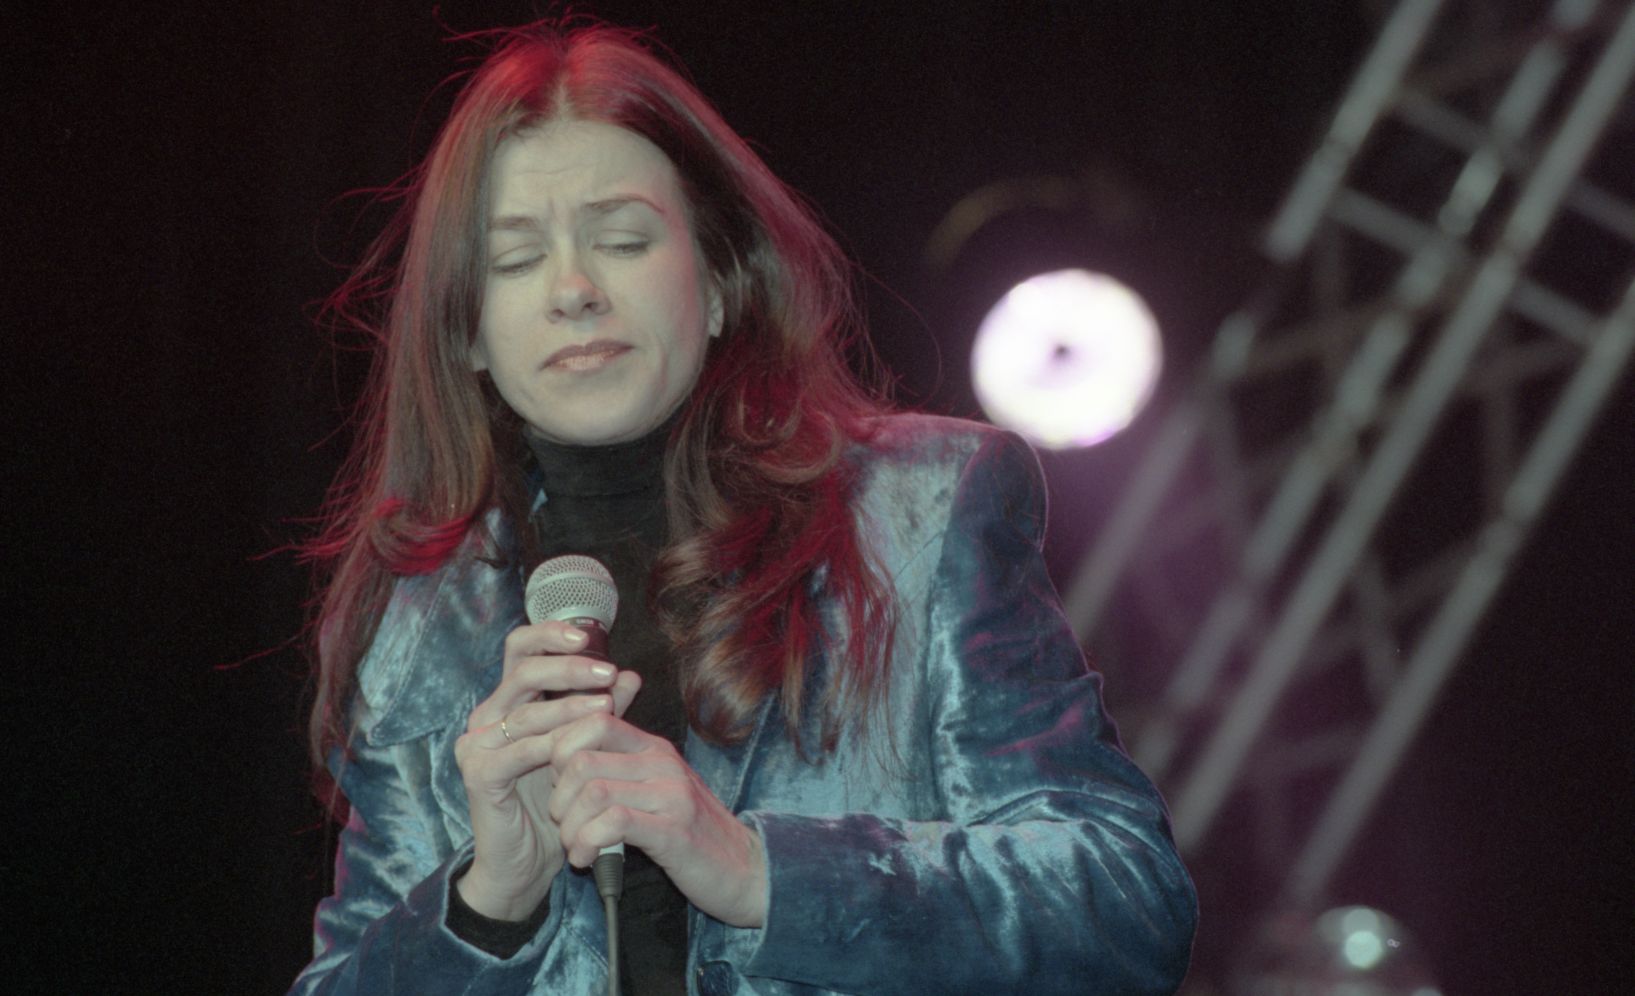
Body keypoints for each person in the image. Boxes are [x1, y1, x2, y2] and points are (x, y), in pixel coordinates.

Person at [290, 20, 1196, 996]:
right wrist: (486, 903)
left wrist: (755, 870)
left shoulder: (919, 512)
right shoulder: (421, 617)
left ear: (720, 282)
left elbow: (1124, 902)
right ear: (467, 331)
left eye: (623, 240)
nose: (574, 290)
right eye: (513, 261)